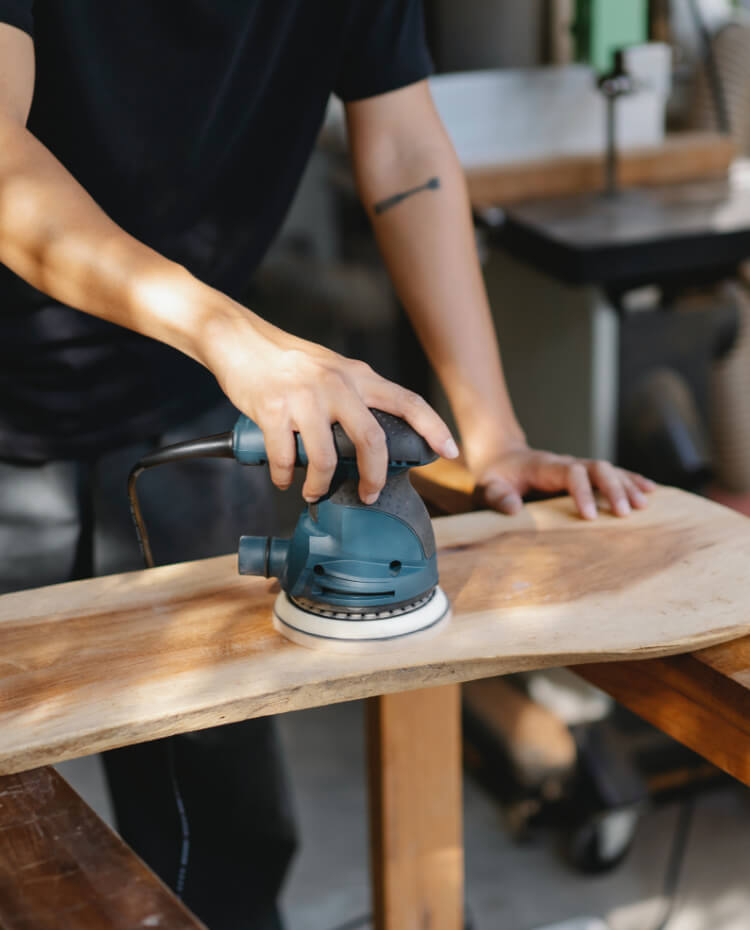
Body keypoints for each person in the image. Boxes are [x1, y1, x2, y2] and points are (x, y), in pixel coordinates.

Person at [0, 2, 655, 927]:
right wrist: (238, 340)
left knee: (221, 830)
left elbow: (405, 153)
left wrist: (493, 433)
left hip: (178, 395)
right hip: (85, 379)